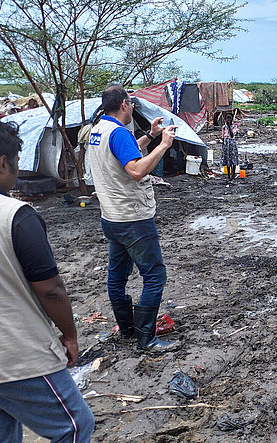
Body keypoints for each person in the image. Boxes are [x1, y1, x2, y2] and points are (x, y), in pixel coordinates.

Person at [0, 115, 94, 442]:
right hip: (17, 355)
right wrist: (70, 334)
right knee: (76, 426)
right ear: (2, 163)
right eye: (17, 161)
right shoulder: (15, 215)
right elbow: (50, 291)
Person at [89, 84, 178, 351]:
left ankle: (127, 330)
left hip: (112, 217)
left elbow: (123, 155)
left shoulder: (99, 130)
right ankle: (147, 338)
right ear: (125, 104)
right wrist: (163, 146)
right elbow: (136, 170)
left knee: (117, 275)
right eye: (132, 104)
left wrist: (150, 137)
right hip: (133, 218)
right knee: (154, 275)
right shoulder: (118, 133)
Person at [220, 113, 239, 181]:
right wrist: (223, 145)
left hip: (232, 143)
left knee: (233, 159)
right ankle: (228, 175)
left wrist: (229, 126)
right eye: (227, 118)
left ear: (232, 119)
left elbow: (232, 135)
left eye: (230, 118)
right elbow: (222, 136)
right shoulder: (224, 127)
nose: (228, 120)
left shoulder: (234, 126)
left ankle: (233, 174)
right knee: (227, 159)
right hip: (226, 143)